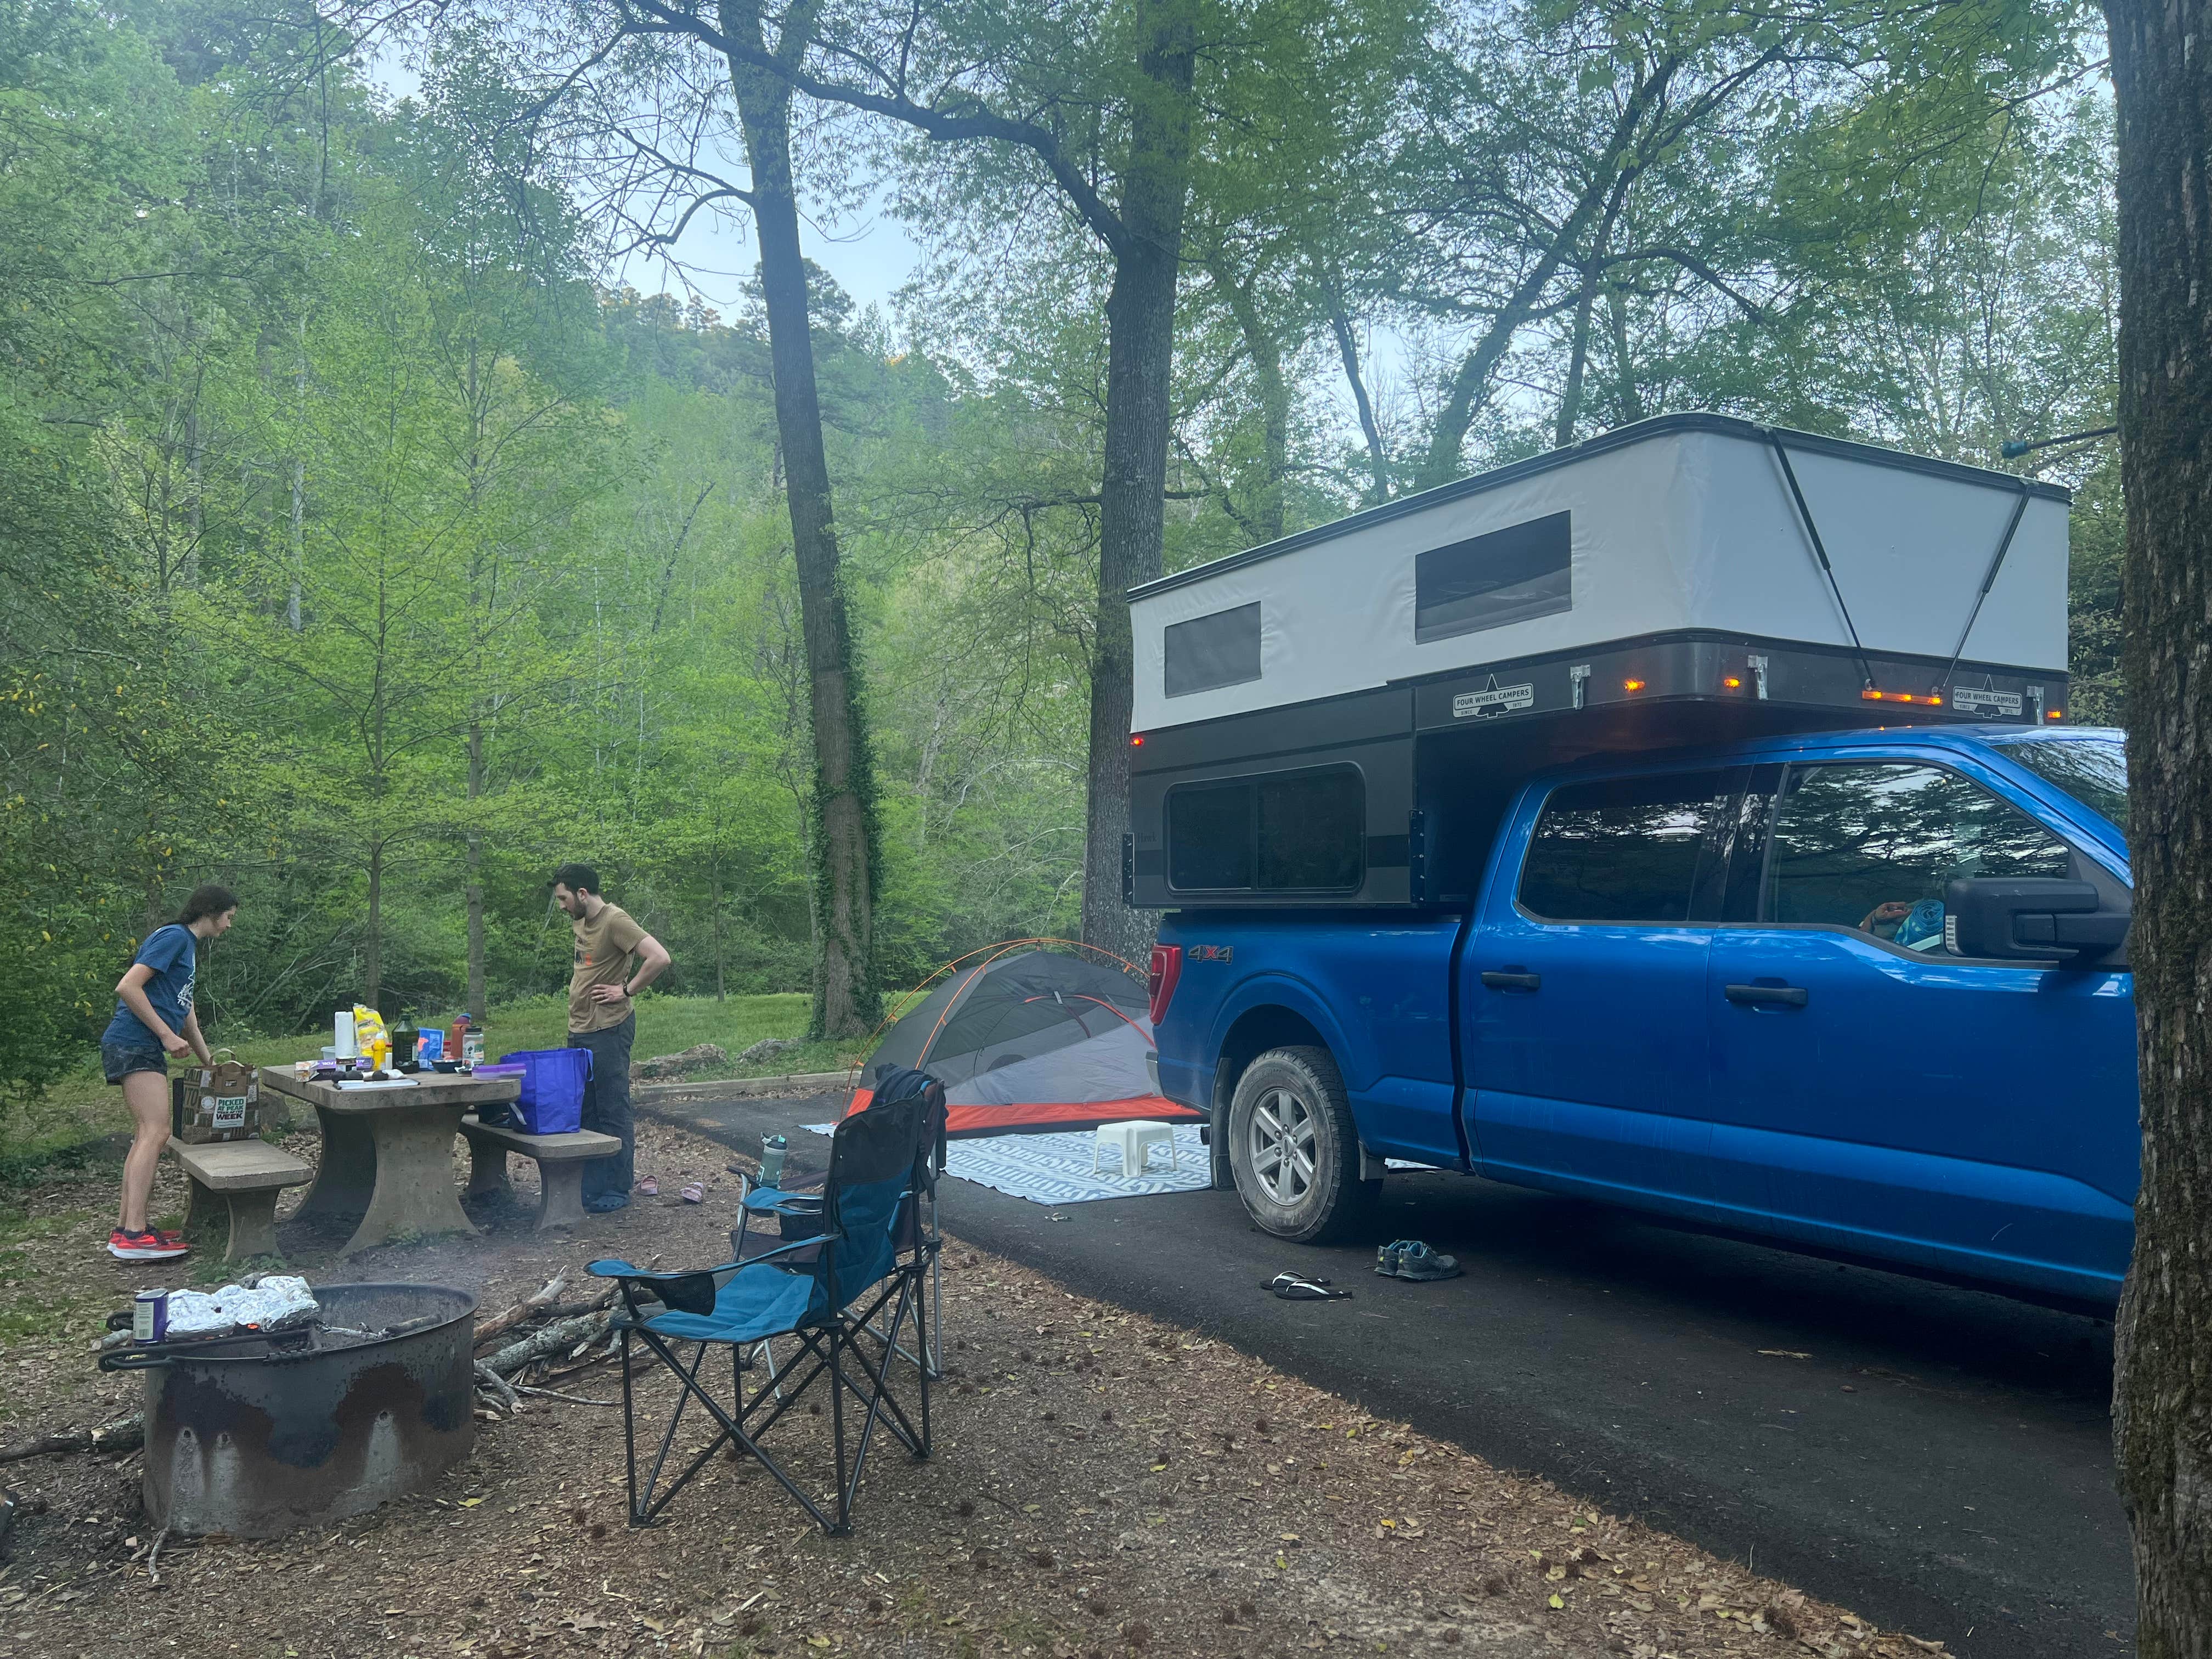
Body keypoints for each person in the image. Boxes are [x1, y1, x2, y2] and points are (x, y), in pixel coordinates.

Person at [101, 884, 238, 1261]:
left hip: (138, 1044)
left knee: (146, 1134)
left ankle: (127, 1230)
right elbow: (128, 987)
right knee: (157, 1131)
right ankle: (134, 1235)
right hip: (134, 1042)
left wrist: (206, 1058)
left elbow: (185, 1007)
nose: (229, 926)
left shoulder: (187, 947)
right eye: (228, 918)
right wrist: (164, 1034)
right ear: (211, 912)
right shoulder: (174, 937)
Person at [551, 864, 671, 1212]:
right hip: (580, 1029)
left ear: (583, 894)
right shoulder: (581, 920)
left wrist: (626, 990)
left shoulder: (616, 920)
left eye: (563, 898)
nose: (561, 906)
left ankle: (617, 1189)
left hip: (609, 1030)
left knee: (612, 1109)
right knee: (586, 1109)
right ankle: (592, 1186)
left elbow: (660, 957)